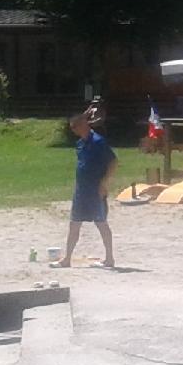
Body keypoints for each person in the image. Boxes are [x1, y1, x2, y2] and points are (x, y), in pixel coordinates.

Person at [52, 112, 116, 269]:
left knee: (101, 223)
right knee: (74, 224)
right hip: (81, 191)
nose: (74, 130)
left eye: (75, 126)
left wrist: (104, 183)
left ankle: (109, 258)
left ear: (84, 124)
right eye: (72, 127)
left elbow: (113, 162)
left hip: (95, 190)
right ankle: (67, 259)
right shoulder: (80, 144)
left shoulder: (98, 141)